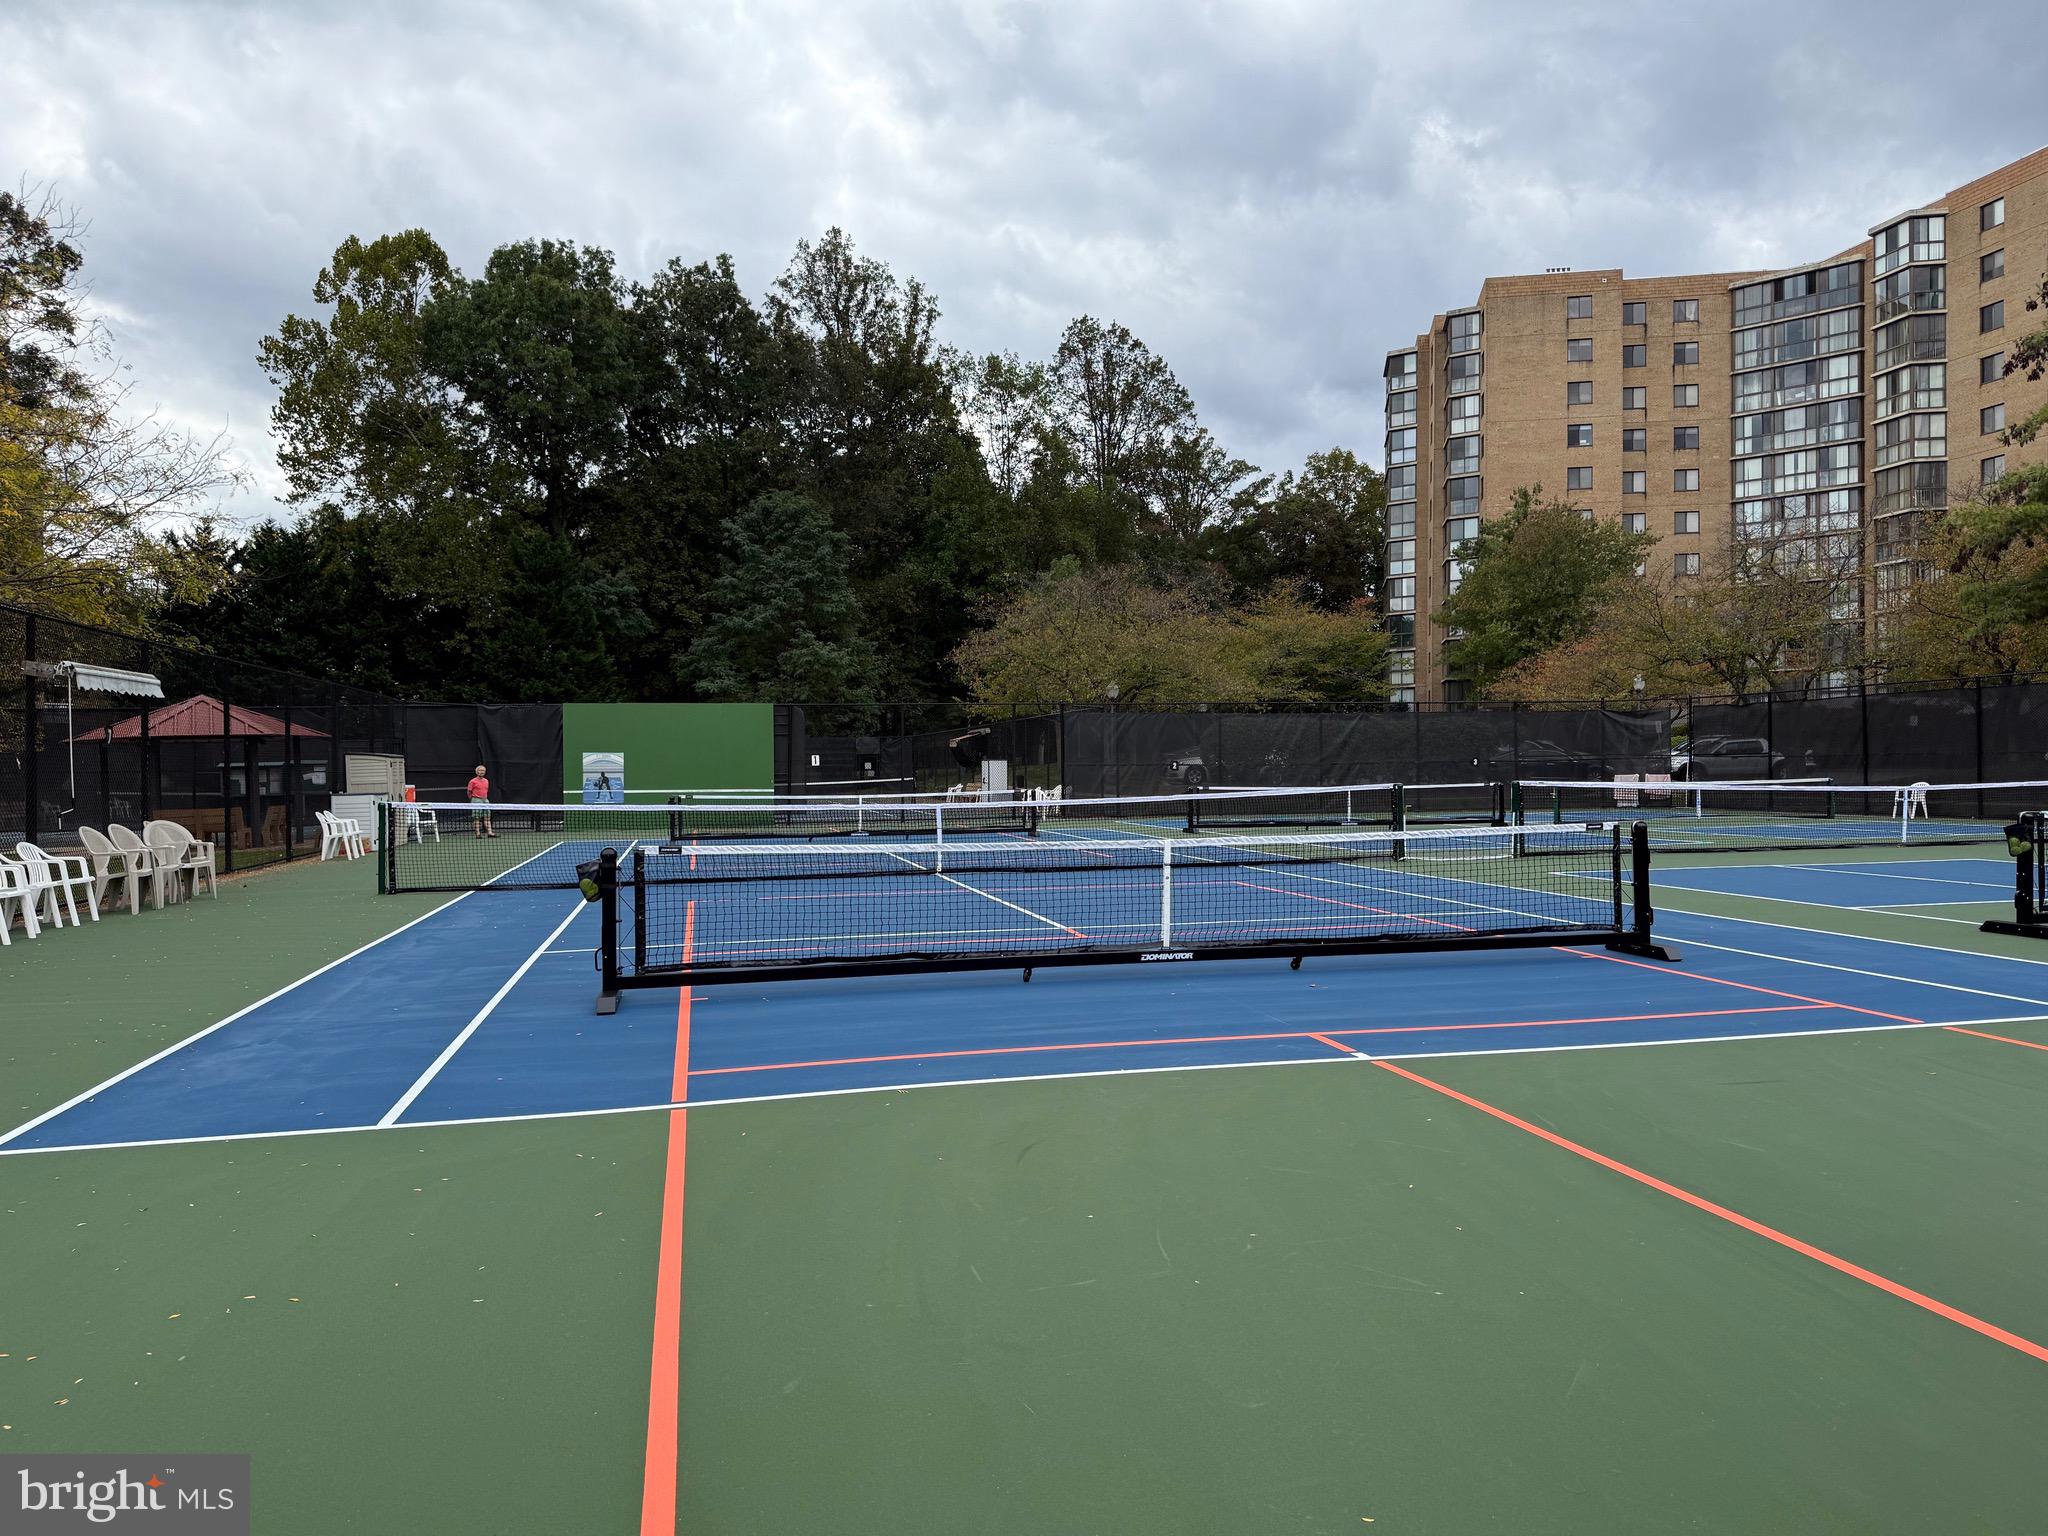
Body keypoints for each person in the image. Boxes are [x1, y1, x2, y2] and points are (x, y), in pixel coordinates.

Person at [468, 763, 496, 838]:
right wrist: (473, 800)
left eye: (483, 770)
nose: (482, 772)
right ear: (477, 772)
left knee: (487, 817)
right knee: (476, 818)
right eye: (480, 770)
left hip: (485, 800)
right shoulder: (472, 781)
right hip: (476, 800)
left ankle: (490, 832)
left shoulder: (486, 781)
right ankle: (478, 833)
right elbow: (469, 792)